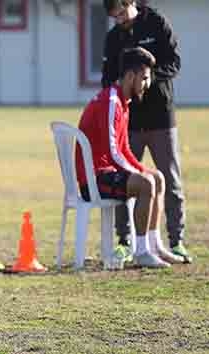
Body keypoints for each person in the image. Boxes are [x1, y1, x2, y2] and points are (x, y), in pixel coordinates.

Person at [76, 47, 185, 269]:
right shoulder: (111, 102)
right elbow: (113, 151)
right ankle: (141, 252)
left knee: (158, 178)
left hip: (106, 173)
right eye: (144, 78)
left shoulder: (123, 102)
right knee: (146, 184)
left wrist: (143, 170)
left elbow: (124, 148)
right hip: (93, 180)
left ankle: (155, 246)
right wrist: (139, 175)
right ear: (130, 76)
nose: (148, 84)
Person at [101, 0, 191, 263]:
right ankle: (124, 242)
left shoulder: (157, 23)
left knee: (170, 179)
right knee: (125, 179)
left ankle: (177, 241)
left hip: (161, 116)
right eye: (113, 16)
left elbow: (174, 62)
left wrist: (146, 79)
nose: (118, 19)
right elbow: (107, 77)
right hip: (128, 120)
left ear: (130, 2)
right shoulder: (113, 37)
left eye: (120, 12)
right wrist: (121, 88)